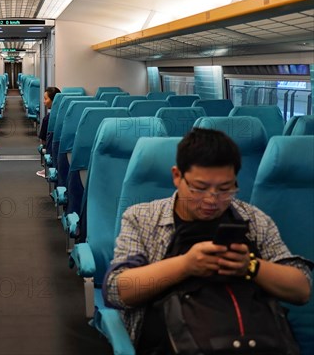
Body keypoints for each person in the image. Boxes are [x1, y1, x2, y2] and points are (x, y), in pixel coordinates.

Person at [103, 128, 311, 353]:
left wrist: (251, 266)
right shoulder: (143, 219)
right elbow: (118, 290)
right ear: (177, 176)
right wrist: (186, 265)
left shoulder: (253, 220)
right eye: (199, 188)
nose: (212, 200)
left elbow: (301, 290)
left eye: (225, 189)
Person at [36, 86, 60, 177]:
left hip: (52, 150)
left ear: (54, 100)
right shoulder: (69, 116)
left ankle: (48, 168)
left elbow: (43, 141)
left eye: (46, 99)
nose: (44, 101)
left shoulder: (47, 119)